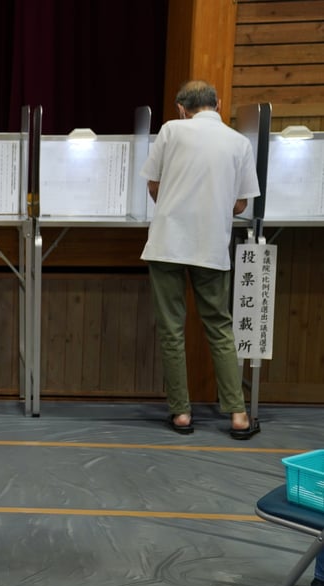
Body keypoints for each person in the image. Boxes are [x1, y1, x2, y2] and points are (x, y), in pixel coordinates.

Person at [140, 80, 260, 439]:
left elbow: (153, 185)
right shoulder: (239, 142)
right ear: (218, 104)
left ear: (181, 108)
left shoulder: (171, 131)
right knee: (220, 328)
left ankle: (181, 414)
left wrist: (177, 206)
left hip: (168, 243)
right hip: (211, 246)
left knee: (172, 330)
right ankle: (238, 415)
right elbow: (242, 203)